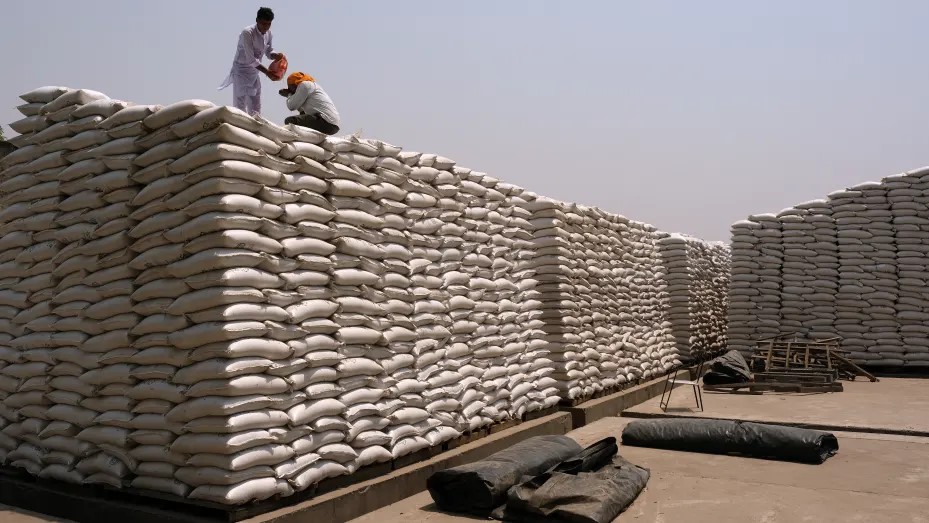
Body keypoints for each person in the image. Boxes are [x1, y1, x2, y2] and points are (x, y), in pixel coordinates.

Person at [217, 7, 284, 116]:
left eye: (269, 24)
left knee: (256, 106)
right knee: (240, 106)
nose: (266, 27)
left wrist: (275, 55)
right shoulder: (247, 33)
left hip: (254, 73)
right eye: (263, 24)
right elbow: (251, 59)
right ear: (257, 20)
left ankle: (255, 126)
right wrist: (267, 72)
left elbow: (268, 51)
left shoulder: (269, 34)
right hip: (241, 72)